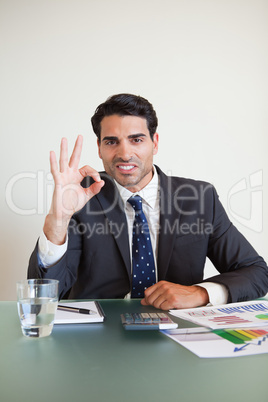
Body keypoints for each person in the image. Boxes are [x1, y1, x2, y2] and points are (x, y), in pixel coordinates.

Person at [28, 93, 268, 310]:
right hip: (97, 339)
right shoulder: (82, 197)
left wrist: (200, 293)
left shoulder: (200, 198)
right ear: (99, 148)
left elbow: (257, 273)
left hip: (177, 333)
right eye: (111, 141)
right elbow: (43, 295)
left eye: (136, 139)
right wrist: (58, 220)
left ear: (155, 142)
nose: (124, 154)